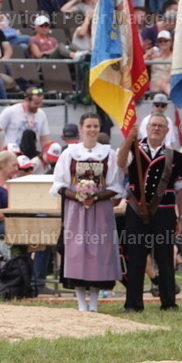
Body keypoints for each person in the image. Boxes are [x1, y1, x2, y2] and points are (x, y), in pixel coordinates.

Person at [50, 113, 123, 312]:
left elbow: (116, 184)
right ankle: (81, 302)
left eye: (95, 126)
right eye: (88, 126)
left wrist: (96, 197)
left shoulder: (109, 153)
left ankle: (94, 301)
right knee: (77, 252)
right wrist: (79, 196)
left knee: (99, 252)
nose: (92, 130)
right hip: (75, 210)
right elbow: (60, 183)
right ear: (81, 128)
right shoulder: (69, 153)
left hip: (100, 209)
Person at [117, 113, 182, 313]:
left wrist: (181, 218)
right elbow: (121, 164)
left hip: (164, 212)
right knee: (136, 257)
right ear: (146, 128)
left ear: (167, 131)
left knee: (165, 257)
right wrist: (128, 141)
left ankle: (168, 302)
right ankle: (133, 304)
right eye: (153, 125)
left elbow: (181, 189)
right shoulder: (133, 149)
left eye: (160, 126)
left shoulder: (177, 157)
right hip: (136, 211)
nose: (156, 128)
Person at [0, 87, 50, 154]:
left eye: (40, 103)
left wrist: (45, 154)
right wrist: (2, 151)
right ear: (27, 100)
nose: (39, 106)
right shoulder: (11, 111)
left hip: (30, 153)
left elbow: (44, 138)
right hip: (12, 153)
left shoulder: (41, 114)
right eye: (36, 103)